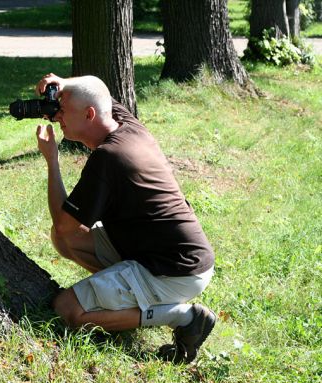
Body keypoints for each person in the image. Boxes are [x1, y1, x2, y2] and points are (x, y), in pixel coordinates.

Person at [34, 73, 216, 363]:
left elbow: (63, 221)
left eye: (63, 110)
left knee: (67, 309)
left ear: (90, 114)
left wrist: (52, 160)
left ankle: (181, 316)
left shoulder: (108, 159)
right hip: (174, 255)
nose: (57, 117)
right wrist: (64, 83)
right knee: (66, 241)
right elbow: (99, 92)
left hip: (174, 270)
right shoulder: (127, 125)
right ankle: (124, 297)